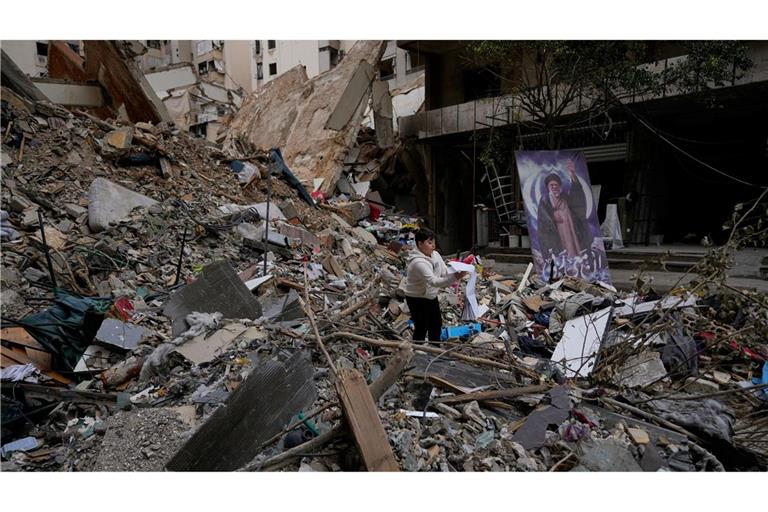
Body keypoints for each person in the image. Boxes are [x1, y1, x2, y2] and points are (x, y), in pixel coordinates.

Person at [402, 228, 464, 342]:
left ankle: (434, 349)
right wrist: (456, 277)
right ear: (420, 244)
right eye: (429, 243)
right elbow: (434, 281)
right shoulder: (418, 262)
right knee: (421, 326)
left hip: (430, 295)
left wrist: (459, 269)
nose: (433, 246)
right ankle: (417, 352)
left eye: (434, 243)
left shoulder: (435, 255)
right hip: (416, 298)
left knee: (436, 324)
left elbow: (444, 271)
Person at [536, 159, 594, 259]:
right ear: (548, 187)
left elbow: (577, 197)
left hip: (571, 233)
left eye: (556, 185)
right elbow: (542, 220)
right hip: (555, 236)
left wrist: (572, 174)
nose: (554, 187)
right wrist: (553, 218)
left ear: (559, 186)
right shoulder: (544, 201)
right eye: (551, 185)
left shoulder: (565, 197)